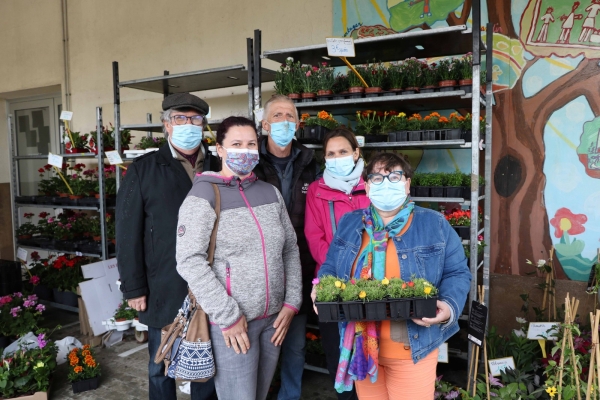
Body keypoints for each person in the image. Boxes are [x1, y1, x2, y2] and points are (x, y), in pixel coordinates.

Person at [313, 153, 471, 399]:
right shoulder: (349, 223)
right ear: (366, 186)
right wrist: (320, 288)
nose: (386, 183)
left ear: (407, 183)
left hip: (412, 349)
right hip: (362, 348)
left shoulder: (434, 224)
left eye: (394, 176)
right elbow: (331, 267)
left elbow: (457, 272)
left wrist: (448, 307)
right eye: (377, 178)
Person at [175, 116, 303, 400]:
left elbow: (290, 249)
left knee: (259, 394)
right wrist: (228, 317)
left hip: (274, 320)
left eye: (250, 144)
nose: (244, 151)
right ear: (219, 149)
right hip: (233, 324)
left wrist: (292, 301)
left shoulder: (269, 193)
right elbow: (189, 260)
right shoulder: (204, 195)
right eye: (236, 144)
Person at [116, 93, 217, 400]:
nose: (188, 124)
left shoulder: (217, 164)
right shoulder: (143, 170)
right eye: (180, 118)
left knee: (206, 361)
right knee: (159, 364)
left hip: (211, 281)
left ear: (204, 125)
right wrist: (134, 288)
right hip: (163, 282)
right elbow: (126, 231)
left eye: (195, 119)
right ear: (166, 126)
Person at [254, 94, 318, 400]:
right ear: (265, 125)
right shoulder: (250, 160)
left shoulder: (309, 161)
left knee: (294, 345)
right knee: (258, 345)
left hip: (299, 267)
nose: (284, 121)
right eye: (277, 116)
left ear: (298, 124)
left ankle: (289, 396)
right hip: (258, 270)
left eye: (290, 116)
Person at [304, 128, 370, 400]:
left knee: (370, 351)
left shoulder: (372, 185)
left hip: (371, 283)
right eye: (331, 153)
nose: (337, 157)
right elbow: (314, 236)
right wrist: (341, 267)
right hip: (332, 285)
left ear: (356, 153)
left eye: (343, 151)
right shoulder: (317, 191)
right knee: (338, 353)